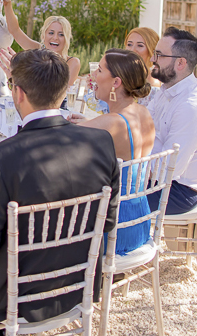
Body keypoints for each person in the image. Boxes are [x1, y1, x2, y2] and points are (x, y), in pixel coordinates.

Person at [0, 49, 119, 324]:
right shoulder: (101, 142)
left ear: (18, 93)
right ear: (62, 89)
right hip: (79, 285)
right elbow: (108, 222)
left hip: (15, 297)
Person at [68, 49, 155, 255]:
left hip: (114, 227)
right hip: (139, 220)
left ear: (116, 83)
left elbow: (61, 136)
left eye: (99, 70)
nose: (93, 76)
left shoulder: (112, 123)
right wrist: (92, 123)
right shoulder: (143, 113)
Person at [147, 27, 197, 215]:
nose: (152, 60)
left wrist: (127, 163)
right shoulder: (166, 91)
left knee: (104, 197)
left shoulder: (192, 107)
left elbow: (165, 170)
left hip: (177, 192)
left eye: (159, 55)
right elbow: (141, 127)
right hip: (156, 179)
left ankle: (127, 243)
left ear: (180, 63)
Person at [1, 0, 80, 85]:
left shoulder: (72, 63)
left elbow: (61, 92)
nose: (55, 38)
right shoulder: (37, 50)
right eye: (51, 33)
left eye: (61, 34)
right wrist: (7, 5)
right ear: (43, 36)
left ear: (66, 39)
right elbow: (15, 31)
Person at [125, 27, 162, 106]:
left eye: (140, 45)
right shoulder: (121, 74)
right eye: (129, 44)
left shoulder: (153, 81)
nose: (132, 50)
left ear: (151, 49)